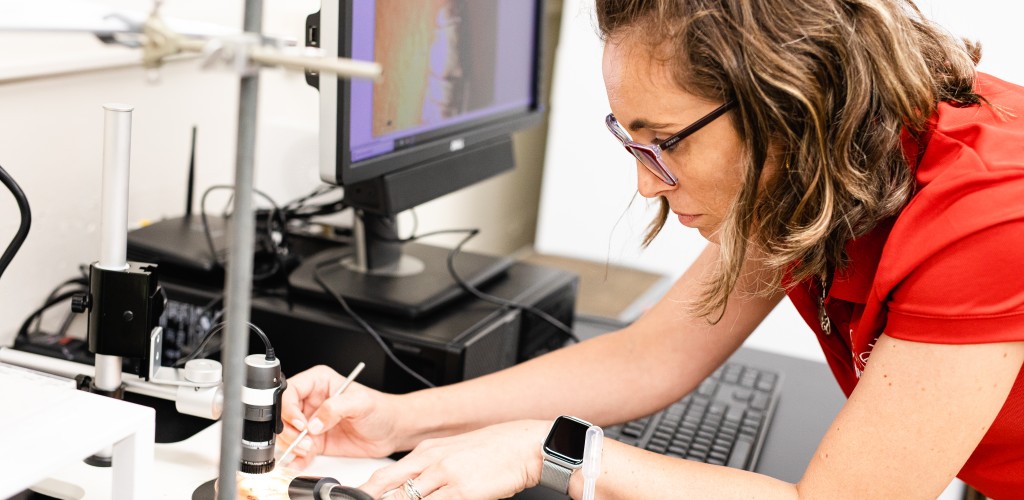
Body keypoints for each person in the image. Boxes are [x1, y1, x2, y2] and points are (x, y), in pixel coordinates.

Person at [279, 0, 1024, 497]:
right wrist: (401, 418)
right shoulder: (816, 165)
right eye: (629, 140)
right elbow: (653, 355)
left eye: (663, 142)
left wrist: (552, 449)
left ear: (789, 100)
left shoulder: (990, 213)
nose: (646, 184)